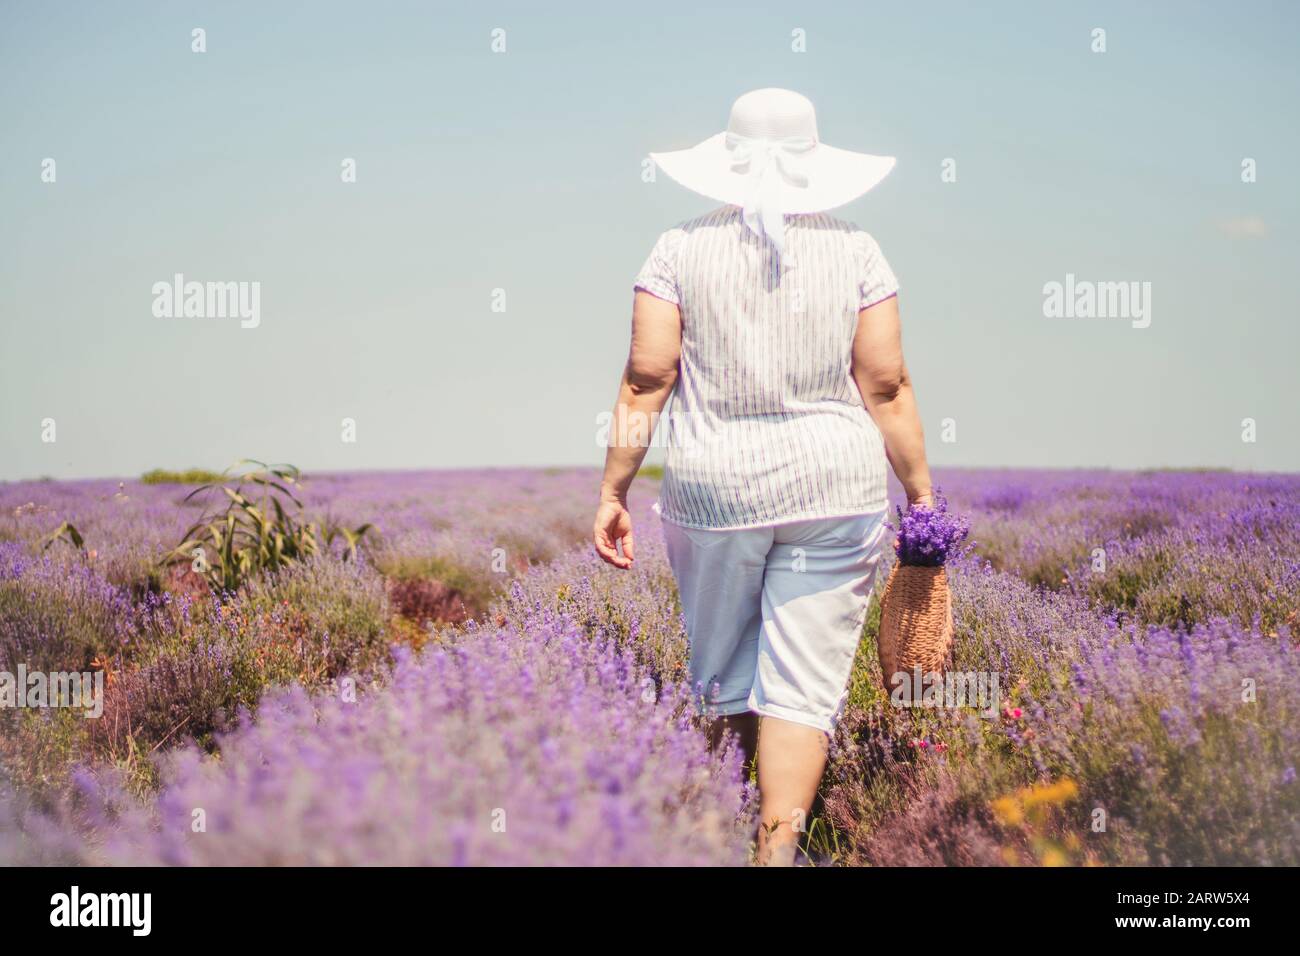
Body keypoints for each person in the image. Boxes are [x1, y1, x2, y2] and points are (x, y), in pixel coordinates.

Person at [593, 88, 933, 865]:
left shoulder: (675, 250)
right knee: (803, 687)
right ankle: (778, 852)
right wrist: (922, 498)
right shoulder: (859, 250)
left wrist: (613, 492)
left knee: (721, 673)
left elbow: (648, 378)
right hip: (834, 488)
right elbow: (887, 386)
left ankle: (718, 833)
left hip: (716, 490)